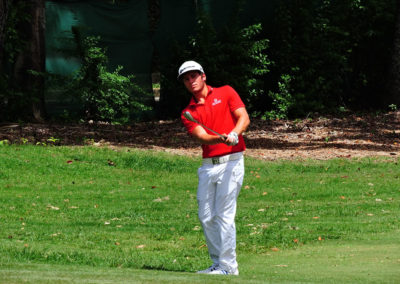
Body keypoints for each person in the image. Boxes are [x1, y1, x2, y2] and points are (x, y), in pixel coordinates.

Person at [179, 60, 250, 275]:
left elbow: (243, 117)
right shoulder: (188, 112)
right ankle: (219, 263)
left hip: (232, 162)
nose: (191, 81)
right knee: (206, 216)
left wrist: (235, 134)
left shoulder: (226, 92)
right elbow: (201, 136)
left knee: (224, 215)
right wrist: (218, 139)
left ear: (203, 76)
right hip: (208, 166)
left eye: (194, 76)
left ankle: (229, 267)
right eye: (187, 78)